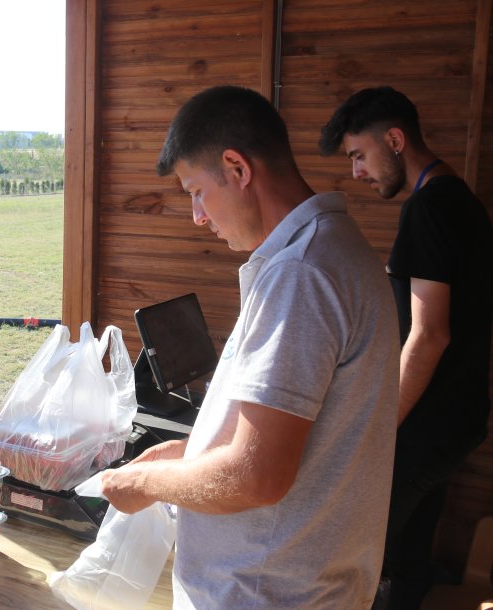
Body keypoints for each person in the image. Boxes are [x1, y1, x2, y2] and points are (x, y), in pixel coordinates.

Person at [100, 86, 401, 609]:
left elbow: (256, 477)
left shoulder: (301, 273)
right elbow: (284, 439)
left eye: (196, 190)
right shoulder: (333, 248)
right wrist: (189, 457)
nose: (197, 215)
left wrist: (149, 481)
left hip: (266, 594)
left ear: (237, 168)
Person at [319, 86, 493, 609]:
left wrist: (377, 425)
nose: (356, 171)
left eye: (358, 155)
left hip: (423, 428)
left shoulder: (428, 211)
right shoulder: (463, 201)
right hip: (457, 420)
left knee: (356, 562)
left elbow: (429, 334)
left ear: (394, 140)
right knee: (410, 557)